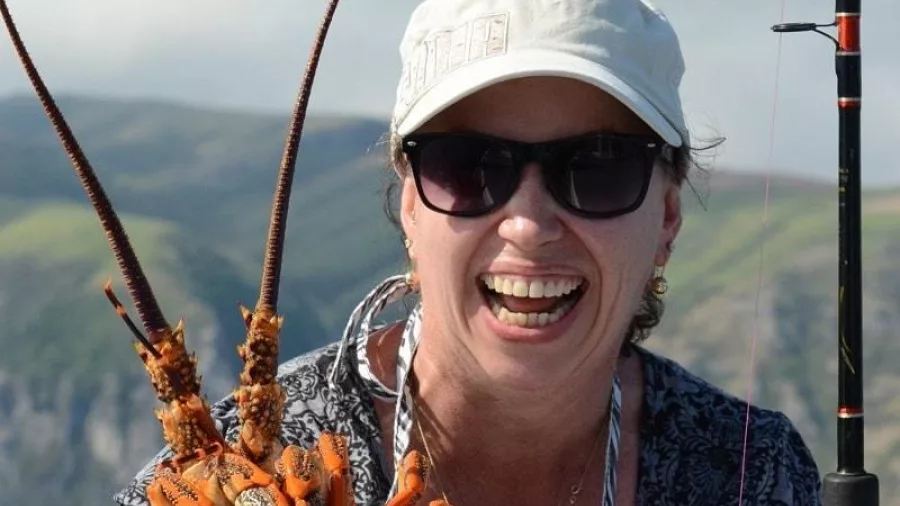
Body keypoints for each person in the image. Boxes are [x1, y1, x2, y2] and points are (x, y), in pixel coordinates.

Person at [115, 0, 822, 504]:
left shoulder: (753, 467)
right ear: (411, 209)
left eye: (600, 166)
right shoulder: (238, 463)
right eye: (467, 165)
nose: (528, 224)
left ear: (667, 215)